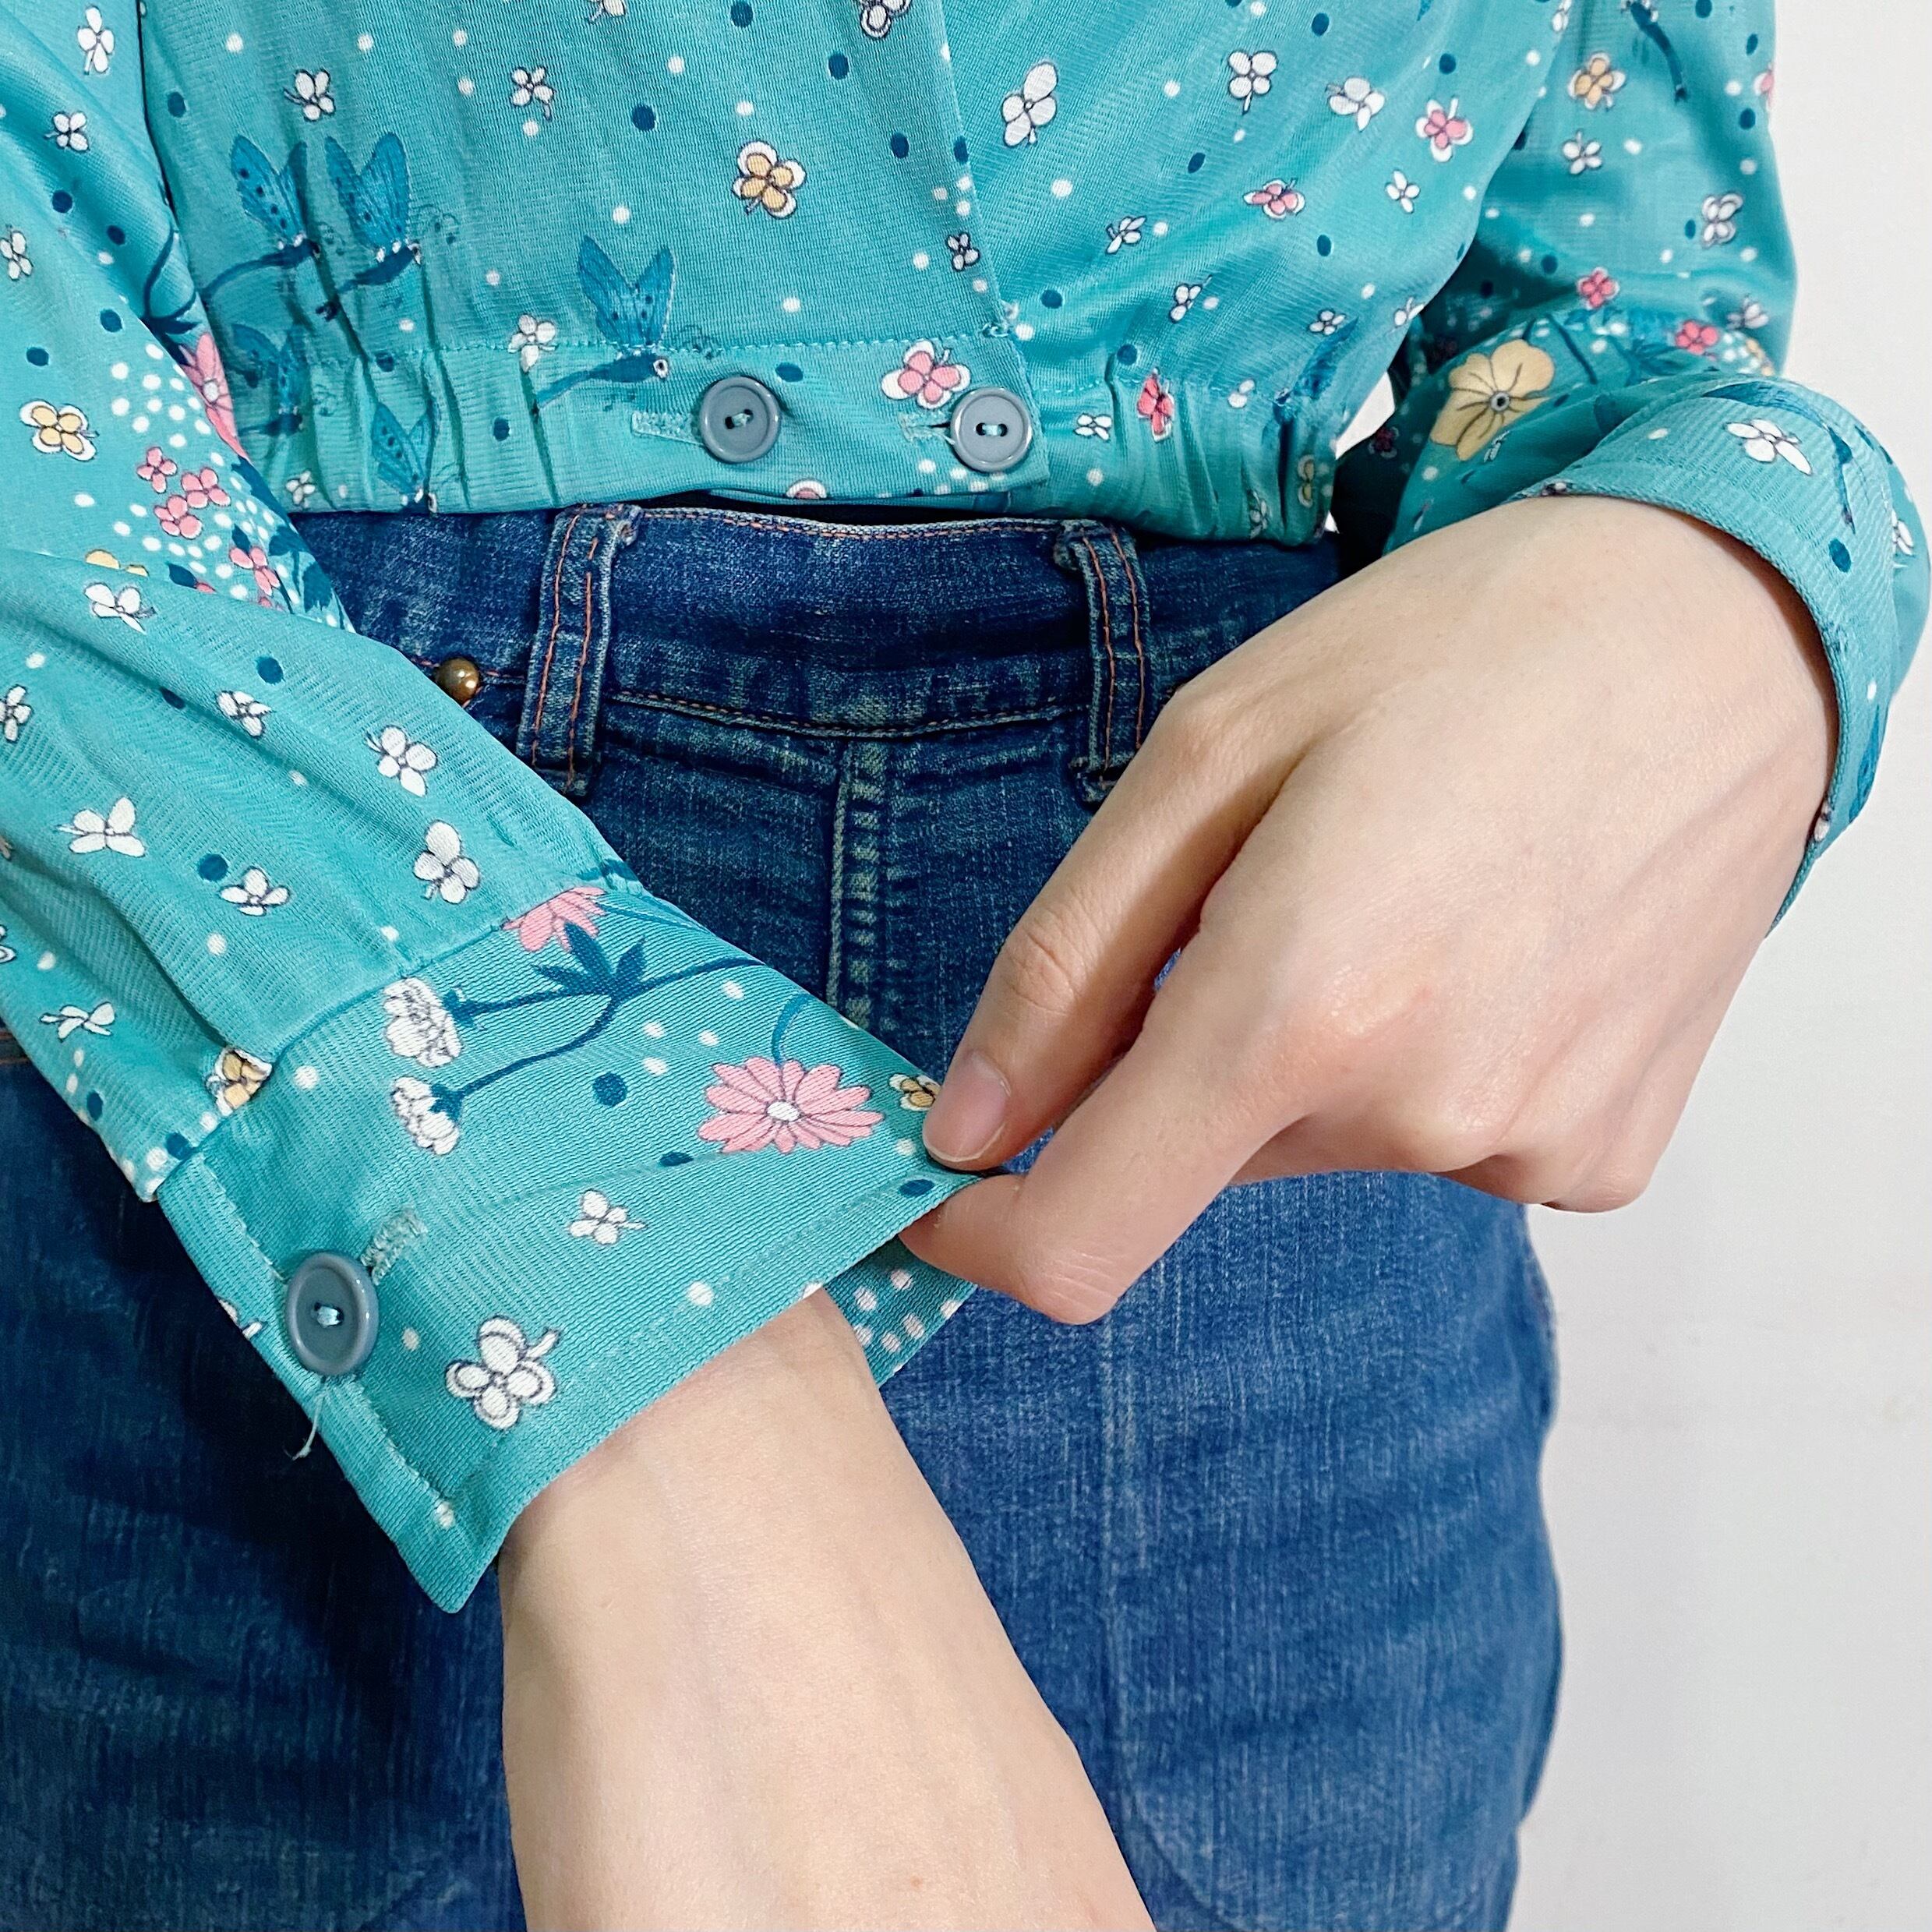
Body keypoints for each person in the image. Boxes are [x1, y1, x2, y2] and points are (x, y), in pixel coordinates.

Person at [0, 0, 1921, 1926]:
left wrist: (1737, 563)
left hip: (1252, 1148)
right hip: (259, 988)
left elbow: (1600, 315)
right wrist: (624, 1303)